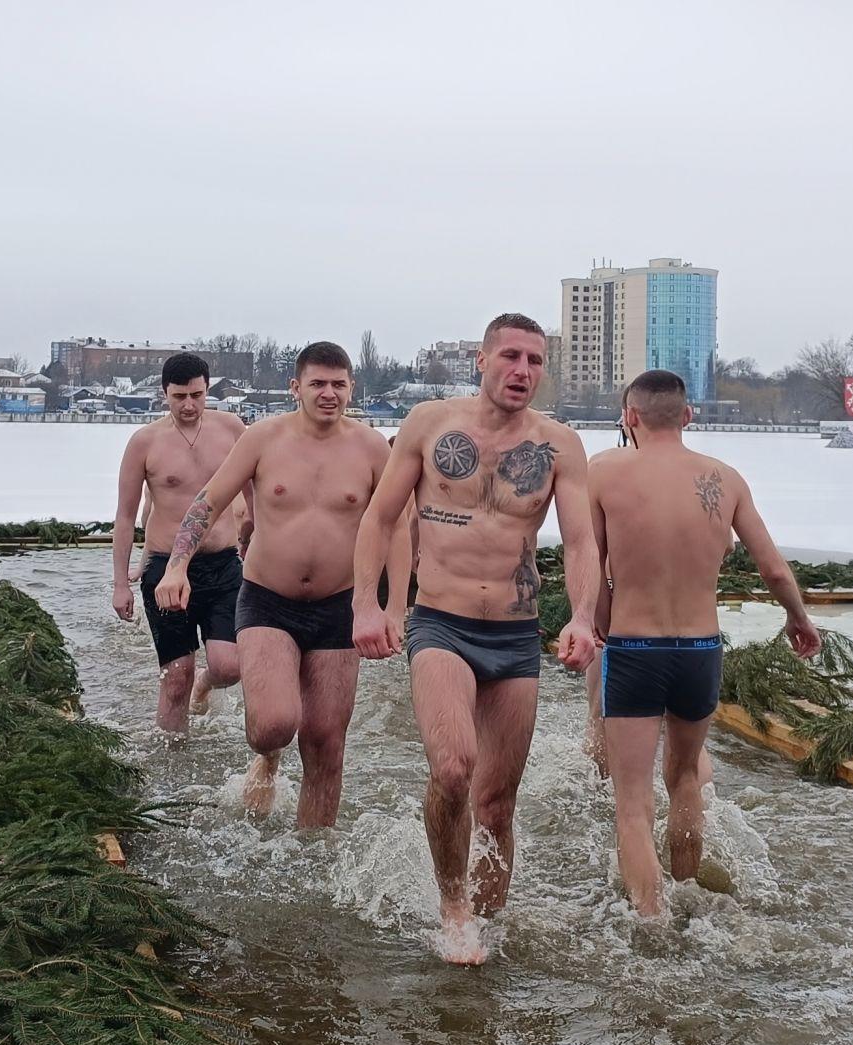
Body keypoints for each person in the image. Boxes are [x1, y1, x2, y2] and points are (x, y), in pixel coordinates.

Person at [353, 313, 602, 964]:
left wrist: (581, 615)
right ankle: (453, 906)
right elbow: (380, 518)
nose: (523, 371)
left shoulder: (559, 445)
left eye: (536, 362)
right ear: (482, 359)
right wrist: (368, 605)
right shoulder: (429, 424)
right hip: (441, 621)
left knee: (496, 803)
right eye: (512, 357)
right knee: (454, 767)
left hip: (517, 633)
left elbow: (580, 540)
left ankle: (491, 922)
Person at [589, 370, 820, 917]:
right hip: (699, 651)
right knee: (686, 777)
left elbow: (592, 568)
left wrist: (596, 621)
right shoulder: (726, 478)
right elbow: (773, 567)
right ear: (688, 416)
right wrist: (799, 618)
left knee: (633, 803)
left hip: (634, 649)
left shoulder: (603, 472)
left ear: (630, 417)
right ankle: (689, 891)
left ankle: (651, 919)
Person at [158, 341, 390, 827]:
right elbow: (208, 500)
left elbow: (397, 525)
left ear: (352, 387)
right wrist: (177, 565)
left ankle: (313, 855)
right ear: (295, 388)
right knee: (273, 726)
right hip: (268, 600)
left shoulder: (371, 447)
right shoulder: (264, 439)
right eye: (317, 384)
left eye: (338, 384)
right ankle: (267, 756)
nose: (328, 394)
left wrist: (393, 607)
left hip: (337, 606)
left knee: (327, 743)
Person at [111, 353, 249, 732]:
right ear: (164, 395)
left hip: (222, 564)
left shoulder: (232, 429)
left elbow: (255, 493)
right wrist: (121, 584)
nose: (189, 405)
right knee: (175, 678)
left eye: (197, 395)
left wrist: (255, 542)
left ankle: (205, 683)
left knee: (229, 666)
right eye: (179, 397)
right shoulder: (144, 442)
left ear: (208, 390)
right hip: (165, 567)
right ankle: (173, 763)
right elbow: (125, 516)